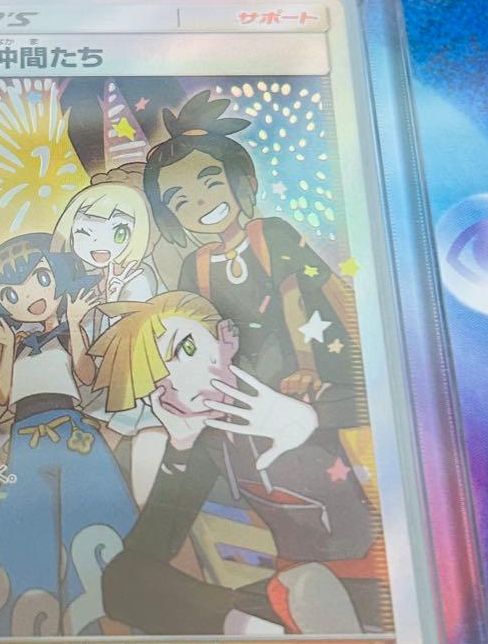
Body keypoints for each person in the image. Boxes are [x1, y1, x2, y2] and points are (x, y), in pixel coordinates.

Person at [89, 291, 375, 636]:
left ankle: (300, 631)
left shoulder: (290, 387)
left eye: (186, 349)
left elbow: (395, 404)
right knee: (122, 580)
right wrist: (180, 446)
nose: (181, 380)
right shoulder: (209, 438)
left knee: (306, 586)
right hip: (290, 593)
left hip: (373, 582)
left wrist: (312, 417)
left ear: (225, 339)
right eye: (156, 381)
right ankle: (269, 635)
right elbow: (150, 549)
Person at [143, 90, 360, 430]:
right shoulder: (195, 266)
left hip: (305, 377)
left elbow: (294, 300)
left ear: (244, 181)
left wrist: (306, 368)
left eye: (211, 183)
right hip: (242, 391)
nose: (200, 203)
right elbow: (198, 335)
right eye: (180, 201)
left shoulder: (271, 234)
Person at [0, 233, 137, 638]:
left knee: (95, 518)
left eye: (40, 279)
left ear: (59, 278)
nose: (29, 296)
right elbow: (1, 395)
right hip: (26, 438)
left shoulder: (66, 334)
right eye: (11, 293)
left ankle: (102, 616)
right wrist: (5, 349)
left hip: (71, 431)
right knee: (24, 525)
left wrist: (75, 324)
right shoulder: (15, 345)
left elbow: (86, 375)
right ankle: (29, 622)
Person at [51, 166, 167, 505]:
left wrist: (111, 302)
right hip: (113, 399)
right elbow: (87, 372)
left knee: (143, 489)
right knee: (96, 481)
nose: (98, 244)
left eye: (117, 231)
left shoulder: (139, 278)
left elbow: (134, 340)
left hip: (148, 396)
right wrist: (75, 323)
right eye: (85, 232)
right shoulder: (91, 292)